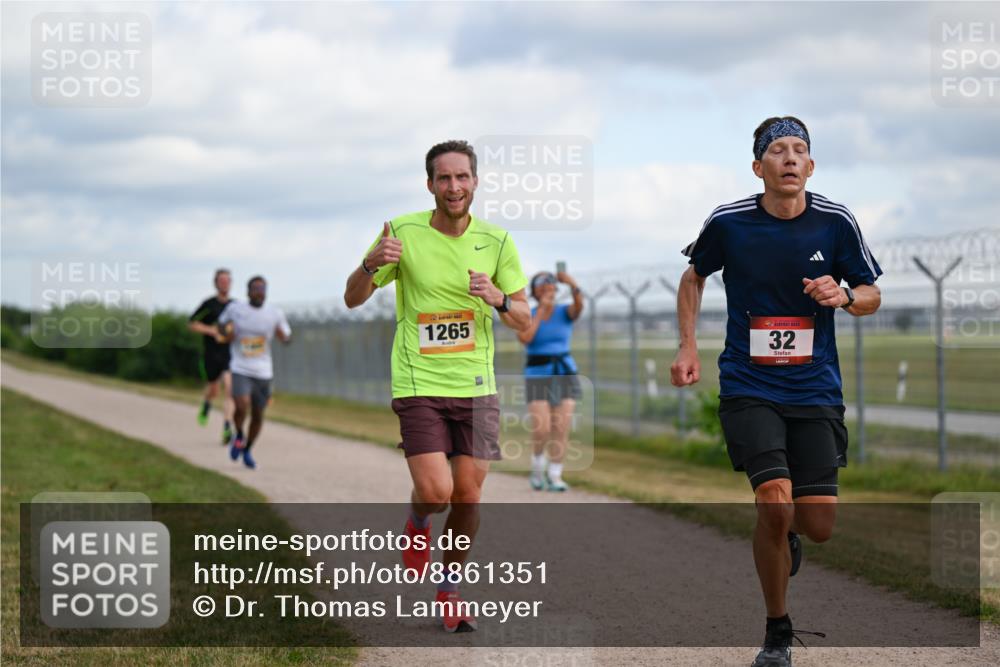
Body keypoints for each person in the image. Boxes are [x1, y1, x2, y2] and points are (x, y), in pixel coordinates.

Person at [670, 116, 882, 667]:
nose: (789, 158)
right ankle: (777, 632)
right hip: (749, 383)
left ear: (810, 166)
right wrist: (688, 347)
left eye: (799, 150)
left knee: (818, 526)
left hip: (814, 388)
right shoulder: (729, 222)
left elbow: (871, 293)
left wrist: (844, 296)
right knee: (773, 501)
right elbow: (693, 277)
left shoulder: (835, 221)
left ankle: (786, 533)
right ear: (757, 166)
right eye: (778, 150)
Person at [343, 140, 530, 633]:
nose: (454, 186)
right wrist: (370, 265)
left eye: (462, 177)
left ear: (475, 182)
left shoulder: (497, 241)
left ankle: (450, 588)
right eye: (444, 178)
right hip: (419, 382)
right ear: (430, 184)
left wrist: (498, 298)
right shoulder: (401, 232)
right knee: (436, 492)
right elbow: (352, 299)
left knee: (467, 497)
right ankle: (418, 518)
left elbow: (524, 320)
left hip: (477, 386)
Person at [517, 270, 584, 492]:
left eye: (551, 285)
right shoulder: (527, 314)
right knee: (542, 428)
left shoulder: (565, 312)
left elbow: (579, 307)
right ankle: (537, 469)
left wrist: (571, 283)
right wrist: (540, 312)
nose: (547, 288)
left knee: (561, 427)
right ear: (534, 292)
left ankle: (555, 475)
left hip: (564, 371)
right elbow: (525, 338)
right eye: (542, 286)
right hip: (537, 373)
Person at [218, 275, 292, 469]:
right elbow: (221, 323)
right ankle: (239, 435)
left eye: (263, 289)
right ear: (248, 291)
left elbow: (287, 337)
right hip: (240, 367)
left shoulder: (274, 313)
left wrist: (283, 337)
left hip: (263, 371)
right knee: (242, 405)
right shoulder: (236, 309)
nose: (260, 292)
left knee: (258, 414)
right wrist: (226, 332)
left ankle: (248, 449)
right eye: (256, 289)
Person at [188, 268, 235, 444]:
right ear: (216, 284)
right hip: (211, 354)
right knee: (213, 390)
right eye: (221, 281)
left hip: (229, 353)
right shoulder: (208, 304)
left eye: (227, 280)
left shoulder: (235, 306)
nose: (225, 284)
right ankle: (207, 404)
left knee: (230, 389)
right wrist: (212, 331)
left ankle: (227, 427)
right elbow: (192, 323)